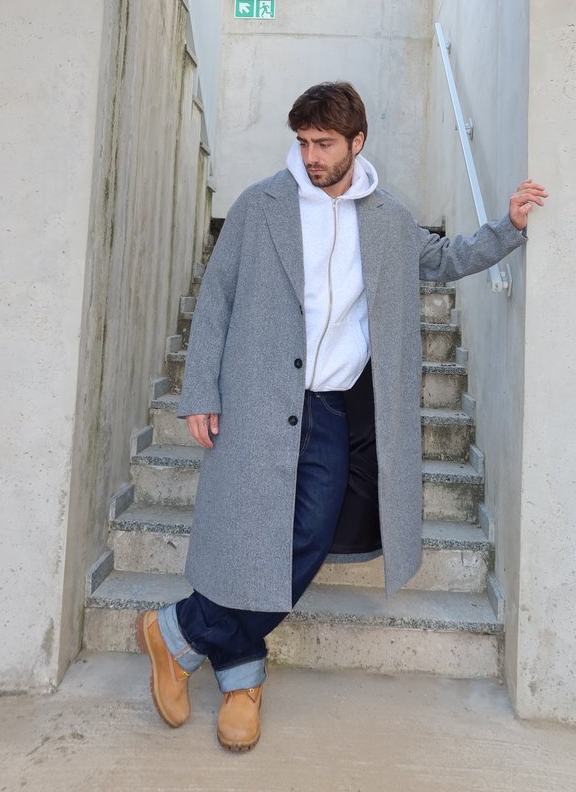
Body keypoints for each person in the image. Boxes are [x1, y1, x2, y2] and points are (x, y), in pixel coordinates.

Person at [136, 82, 547, 751]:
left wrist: (510, 229)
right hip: (259, 397)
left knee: (309, 537)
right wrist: (201, 393)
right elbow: (217, 298)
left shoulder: (386, 219)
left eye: (324, 143)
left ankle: (177, 632)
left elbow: (441, 259)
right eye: (302, 142)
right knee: (250, 537)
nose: (311, 155)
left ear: (358, 142)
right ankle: (242, 675)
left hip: (329, 406)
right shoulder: (259, 206)